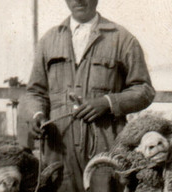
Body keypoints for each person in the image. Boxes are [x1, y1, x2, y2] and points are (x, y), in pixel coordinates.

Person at [19, 0, 156, 191]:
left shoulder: (122, 39)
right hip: (58, 150)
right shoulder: (48, 41)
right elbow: (35, 92)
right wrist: (37, 115)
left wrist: (108, 102)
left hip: (106, 150)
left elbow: (144, 90)